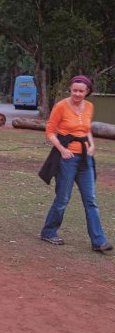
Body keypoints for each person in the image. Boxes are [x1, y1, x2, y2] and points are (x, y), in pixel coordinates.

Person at [39, 75, 113, 252]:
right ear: (70, 90)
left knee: (91, 200)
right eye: (74, 90)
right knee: (63, 198)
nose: (77, 94)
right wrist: (62, 150)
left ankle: (98, 241)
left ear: (87, 91)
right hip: (67, 158)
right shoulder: (61, 106)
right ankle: (49, 231)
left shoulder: (89, 106)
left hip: (85, 159)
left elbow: (86, 130)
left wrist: (92, 144)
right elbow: (49, 132)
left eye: (81, 91)